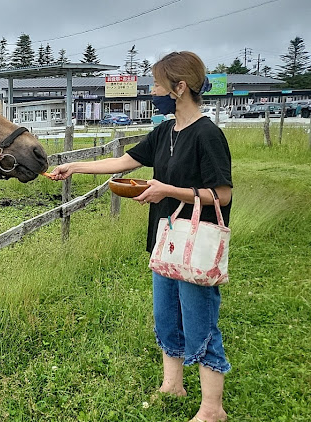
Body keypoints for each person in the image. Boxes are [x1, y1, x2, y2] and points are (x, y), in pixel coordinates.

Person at [48, 51, 232, 422]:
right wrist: (74, 167)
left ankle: (213, 408)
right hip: (165, 240)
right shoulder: (164, 132)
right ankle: (172, 384)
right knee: (166, 317)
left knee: (200, 322)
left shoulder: (208, 135)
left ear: (179, 88)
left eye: (158, 85)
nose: (152, 92)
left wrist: (169, 190)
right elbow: (122, 163)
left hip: (195, 244)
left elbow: (222, 195)